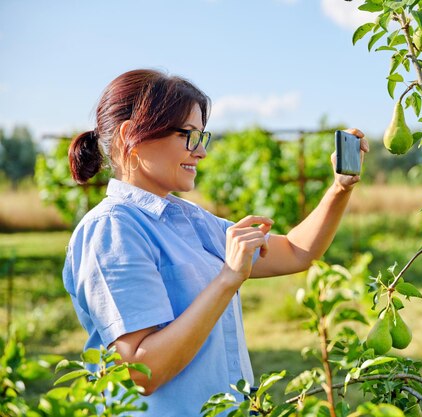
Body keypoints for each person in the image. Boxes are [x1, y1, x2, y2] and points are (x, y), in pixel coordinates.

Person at [62, 68, 368, 416]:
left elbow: (298, 252)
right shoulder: (112, 230)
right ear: (131, 135)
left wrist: (340, 188)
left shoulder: (189, 220)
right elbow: (142, 371)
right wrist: (228, 277)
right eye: (188, 136)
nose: (200, 152)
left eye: (201, 137)